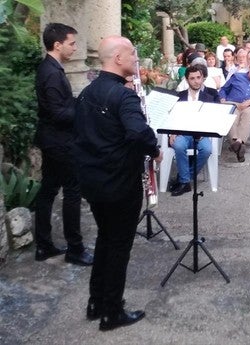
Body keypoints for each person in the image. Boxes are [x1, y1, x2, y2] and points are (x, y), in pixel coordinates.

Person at [73, 35, 162, 331]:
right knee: (119, 246)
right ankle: (112, 312)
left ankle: (96, 302)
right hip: (119, 183)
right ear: (118, 59)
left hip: (94, 181)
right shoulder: (123, 96)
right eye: (132, 54)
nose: (136, 60)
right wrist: (155, 148)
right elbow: (138, 133)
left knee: (105, 239)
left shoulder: (87, 93)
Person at [33, 23, 93, 265]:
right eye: (71, 43)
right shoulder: (51, 72)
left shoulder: (51, 68)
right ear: (57, 45)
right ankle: (75, 249)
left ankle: (44, 245)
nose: (75, 48)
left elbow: (59, 106)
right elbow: (59, 113)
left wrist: (78, 101)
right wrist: (83, 110)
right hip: (59, 142)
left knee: (48, 190)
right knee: (72, 192)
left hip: (51, 140)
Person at [169, 65, 220, 196]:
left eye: (199, 77)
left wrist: (206, 131)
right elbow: (172, 116)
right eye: (192, 78)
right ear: (187, 80)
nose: (196, 81)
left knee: (207, 149)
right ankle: (185, 183)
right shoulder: (179, 96)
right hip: (183, 133)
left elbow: (216, 117)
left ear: (203, 78)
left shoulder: (210, 96)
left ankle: (183, 178)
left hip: (202, 134)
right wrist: (172, 132)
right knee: (179, 145)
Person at [219, 62, 250, 162]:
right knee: (232, 115)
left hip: (249, 106)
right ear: (249, 67)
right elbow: (223, 89)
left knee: (249, 114)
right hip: (233, 103)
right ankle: (239, 144)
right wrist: (222, 98)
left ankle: (236, 143)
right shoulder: (237, 76)